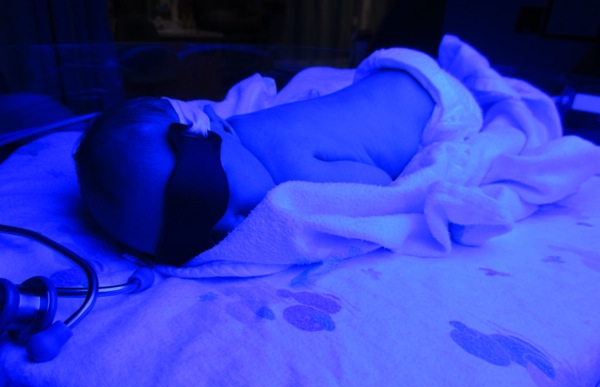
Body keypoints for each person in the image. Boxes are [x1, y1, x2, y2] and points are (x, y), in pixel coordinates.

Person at [75, 48, 471, 266]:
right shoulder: (233, 136)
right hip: (391, 74)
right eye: (197, 242)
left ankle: (472, 74)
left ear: (218, 128)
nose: (231, 228)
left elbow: (383, 189)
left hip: (441, 103)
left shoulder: (294, 170)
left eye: (210, 198)